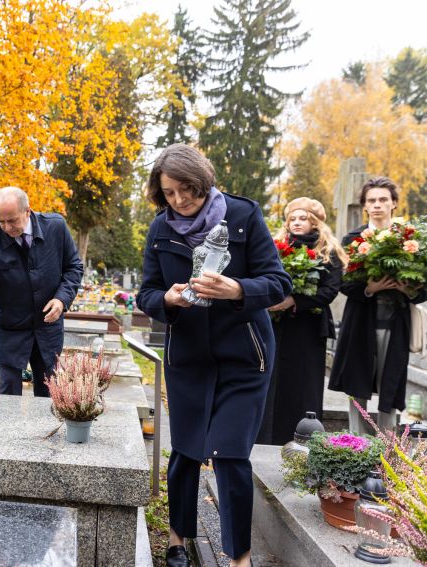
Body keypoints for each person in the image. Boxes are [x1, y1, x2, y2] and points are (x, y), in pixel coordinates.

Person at [136, 144, 291, 567]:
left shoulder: (242, 215)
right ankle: (177, 539)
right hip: (188, 355)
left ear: (202, 182)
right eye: (169, 193)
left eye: (187, 190)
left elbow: (279, 283)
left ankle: (239, 558)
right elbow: (146, 293)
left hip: (244, 356)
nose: (180, 200)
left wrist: (238, 289)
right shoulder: (160, 230)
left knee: (231, 453)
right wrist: (166, 299)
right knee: (185, 450)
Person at [329, 177, 427, 433]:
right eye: (371, 200)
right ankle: (356, 443)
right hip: (361, 321)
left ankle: (388, 446)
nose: (377, 205)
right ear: (364, 206)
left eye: (383, 199)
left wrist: (409, 289)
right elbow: (341, 281)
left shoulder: (413, 240)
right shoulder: (352, 240)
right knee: (357, 382)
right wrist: (369, 288)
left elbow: (425, 285)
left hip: (396, 323)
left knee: (391, 385)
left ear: (394, 203)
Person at [0, 186, 83, 396]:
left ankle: (47, 429)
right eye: (0, 221)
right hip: (9, 327)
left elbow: (74, 267)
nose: (6, 227)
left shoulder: (55, 228)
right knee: (8, 391)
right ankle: (7, 429)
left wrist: (61, 299)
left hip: (47, 325)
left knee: (49, 389)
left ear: (27, 211)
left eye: (12, 220)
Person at [257, 198, 347, 445]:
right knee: (272, 383)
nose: (296, 222)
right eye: (292, 218)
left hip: (308, 327)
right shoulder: (275, 247)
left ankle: (302, 441)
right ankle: (265, 439)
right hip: (277, 324)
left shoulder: (328, 252)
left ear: (315, 222)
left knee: (303, 386)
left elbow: (330, 290)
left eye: (303, 218)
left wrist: (294, 300)